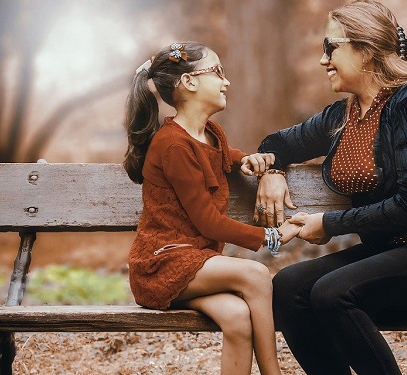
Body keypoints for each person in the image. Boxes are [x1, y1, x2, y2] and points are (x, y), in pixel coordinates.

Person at [254, 2, 407, 374]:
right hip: (391, 251)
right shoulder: (342, 115)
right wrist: (273, 172)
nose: (323, 60)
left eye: (330, 47)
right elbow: (278, 143)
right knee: (288, 287)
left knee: (333, 293)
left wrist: (330, 223)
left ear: (364, 51)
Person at [123, 41, 300, 375]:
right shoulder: (172, 144)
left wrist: (248, 159)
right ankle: (273, 373)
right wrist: (273, 236)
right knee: (256, 274)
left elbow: (223, 155)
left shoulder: (209, 133)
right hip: (161, 264)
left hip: (195, 262)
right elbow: (209, 223)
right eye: (217, 71)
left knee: (237, 317)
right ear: (188, 83)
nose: (226, 81)